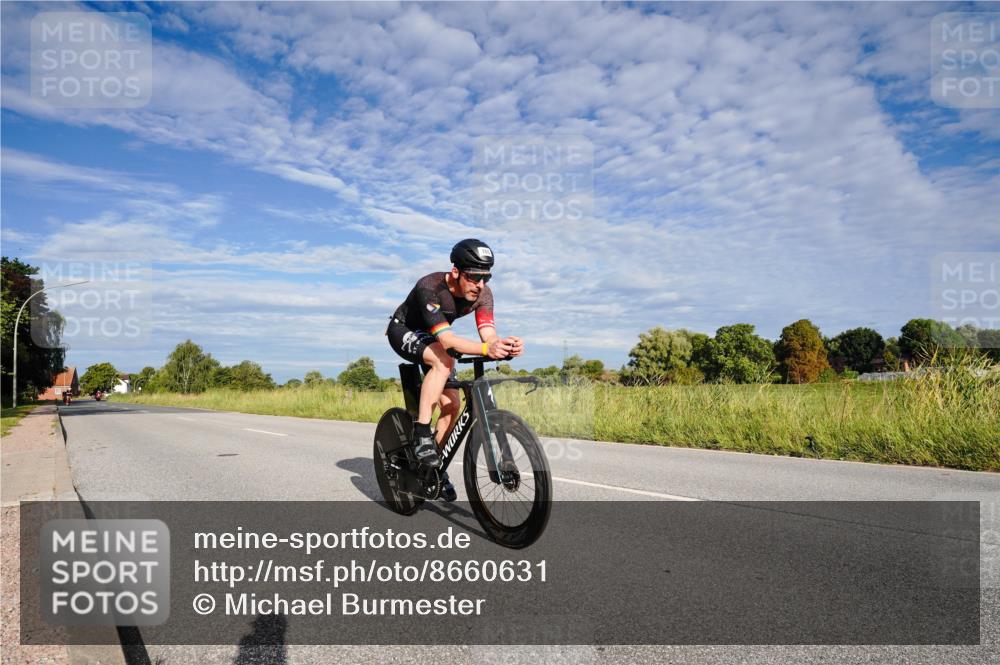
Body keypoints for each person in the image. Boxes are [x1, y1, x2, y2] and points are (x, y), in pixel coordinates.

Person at [386, 239, 523, 501]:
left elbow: (488, 335)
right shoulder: (431, 286)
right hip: (403, 330)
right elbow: (447, 343)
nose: (480, 284)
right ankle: (422, 432)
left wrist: (504, 345)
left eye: (486, 277)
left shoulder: (483, 294)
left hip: (434, 334)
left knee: (451, 405)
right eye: (474, 277)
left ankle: (431, 467)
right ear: (456, 271)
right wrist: (485, 350)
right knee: (443, 359)